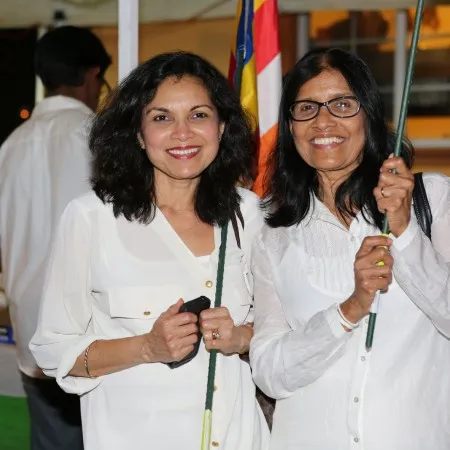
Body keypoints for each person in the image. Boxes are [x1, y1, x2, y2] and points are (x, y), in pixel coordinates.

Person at [30, 51, 270, 450]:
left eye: (198, 115)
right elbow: (53, 350)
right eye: (161, 118)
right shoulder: (91, 218)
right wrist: (147, 347)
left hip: (239, 438)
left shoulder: (248, 212)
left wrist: (241, 338)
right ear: (138, 135)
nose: (182, 133)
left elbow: (281, 327)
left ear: (222, 126)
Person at [249, 47, 450, 450]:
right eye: (306, 108)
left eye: (342, 104)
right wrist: (348, 311)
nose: (323, 121)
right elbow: (269, 373)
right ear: (290, 126)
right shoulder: (272, 228)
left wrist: (405, 231)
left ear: (368, 115)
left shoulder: (432, 198)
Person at [0, 25, 111, 450]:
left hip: (30, 328)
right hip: (91, 331)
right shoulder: (98, 137)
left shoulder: (12, 144)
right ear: (92, 74)